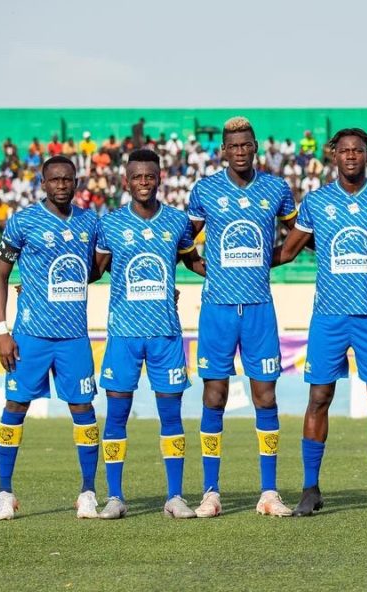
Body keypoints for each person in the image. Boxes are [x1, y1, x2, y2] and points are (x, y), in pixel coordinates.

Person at [273, 128, 367, 517]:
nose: (351, 156)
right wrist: (243, 263)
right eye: (344, 150)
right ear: (333, 156)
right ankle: (310, 489)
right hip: (329, 317)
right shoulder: (316, 202)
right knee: (318, 398)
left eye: (358, 150)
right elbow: (289, 250)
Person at [185, 116, 297, 518]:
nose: (240, 151)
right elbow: (183, 240)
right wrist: (206, 269)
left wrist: (272, 259)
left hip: (259, 308)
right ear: (223, 151)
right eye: (233, 146)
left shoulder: (276, 189)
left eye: (246, 144)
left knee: (265, 396)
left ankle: (269, 492)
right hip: (217, 308)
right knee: (213, 395)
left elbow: (299, 234)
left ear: (255, 147)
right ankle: (211, 492)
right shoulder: (205, 190)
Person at [92, 149, 206, 520]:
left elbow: (193, 262)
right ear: (126, 181)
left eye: (150, 176)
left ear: (159, 179)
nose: (144, 182)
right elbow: (94, 270)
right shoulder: (110, 224)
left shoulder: (177, 222)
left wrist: (235, 270)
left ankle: (175, 497)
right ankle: (115, 497)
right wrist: (34, 283)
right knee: (116, 416)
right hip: (123, 333)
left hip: (165, 334)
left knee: (171, 417)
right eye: (137, 177)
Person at [0, 155, 103, 520]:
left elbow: (95, 269)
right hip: (30, 336)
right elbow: (0, 277)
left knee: (83, 409)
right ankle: (4, 493)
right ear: (43, 183)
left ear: (76, 182)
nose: (61, 185)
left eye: (67, 179)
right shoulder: (23, 221)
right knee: (15, 407)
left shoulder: (90, 221)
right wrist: (2, 331)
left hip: (73, 337)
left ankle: (88, 492)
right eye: (54, 179)